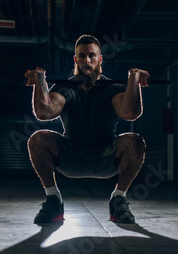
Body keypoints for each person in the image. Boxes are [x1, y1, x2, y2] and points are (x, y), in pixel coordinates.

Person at [24, 34, 148, 224]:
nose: (87, 61)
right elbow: (44, 112)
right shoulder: (66, 88)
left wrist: (134, 79)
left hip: (105, 156)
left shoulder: (112, 88)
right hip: (71, 156)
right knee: (37, 139)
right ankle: (53, 200)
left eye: (92, 56)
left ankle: (118, 199)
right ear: (76, 60)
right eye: (82, 56)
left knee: (135, 141)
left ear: (100, 59)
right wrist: (40, 80)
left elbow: (130, 112)